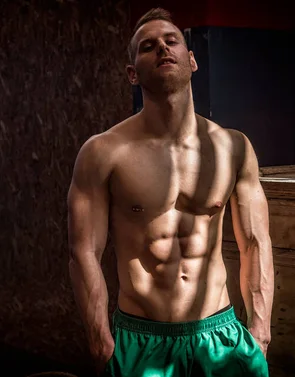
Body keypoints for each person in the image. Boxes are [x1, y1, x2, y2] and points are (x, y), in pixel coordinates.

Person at [67, 7, 274, 377]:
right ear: (133, 73)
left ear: (192, 60)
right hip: (142, 340)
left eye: (171, 40)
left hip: (221, 337)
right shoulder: (103, 152)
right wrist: (100, 341)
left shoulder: (233, 148)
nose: (162, 48)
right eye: (148, 46)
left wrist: (260, 331)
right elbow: (83, 250)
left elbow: (256, 243)